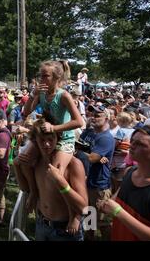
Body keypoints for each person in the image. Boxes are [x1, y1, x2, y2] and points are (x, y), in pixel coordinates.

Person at [21, 60, 84, 212]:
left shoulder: (64, 96)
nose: (41, 80)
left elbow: (79, 121)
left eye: (45, 76)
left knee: (56, 176)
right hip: (45, 137)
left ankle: (73, 214)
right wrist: (32, 95)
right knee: (21, 162)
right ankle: (34, 192)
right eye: (40, 76)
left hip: (64, 139)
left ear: (56, 78)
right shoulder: (41, 93)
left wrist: (54, 127)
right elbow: (25, 112)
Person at [15, 118, 88, 241]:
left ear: (58, 138)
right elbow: (25, 188)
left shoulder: (73, 164)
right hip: (42, 224)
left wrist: (62, 183)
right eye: (42, 140)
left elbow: (84, 207)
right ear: (35, 141)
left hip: (65, 230)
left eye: (51, 139)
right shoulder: (37, 161)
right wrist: (17, 166)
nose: (47, 144)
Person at [98, 125, 150, 241]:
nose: (132, 146)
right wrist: (106, 204)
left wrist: (118, 212)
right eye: (132, 141)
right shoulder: (129, 172)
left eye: (140, 144)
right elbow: (117, 200)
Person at [80, 105, 115, 240]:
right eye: (93, 114)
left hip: (100, 185)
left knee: (103, 222)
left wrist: (81, 152)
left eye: (98, 115)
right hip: (88, 182)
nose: (94, 117)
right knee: (89, 218)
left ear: (107, 118)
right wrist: (91, 154)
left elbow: (91, 158)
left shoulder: (106, 138)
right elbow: (80, 147)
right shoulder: (90, 133)